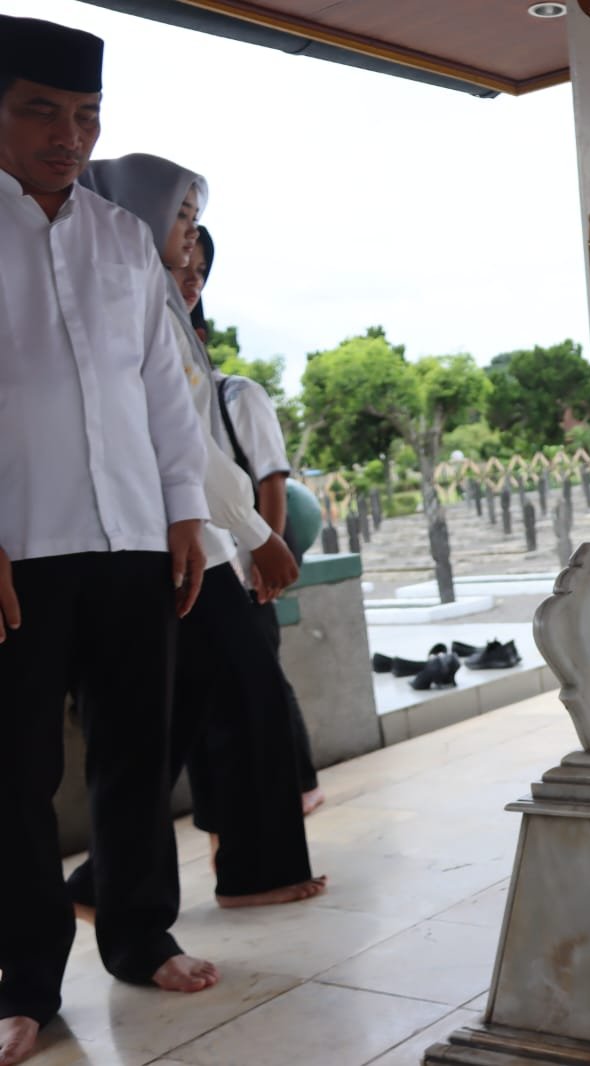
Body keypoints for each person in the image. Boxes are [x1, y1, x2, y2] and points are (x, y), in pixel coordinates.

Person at [0, 18, 219, 1066]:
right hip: (18, 545)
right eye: (40, 111)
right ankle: (21, 981)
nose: (69, 137)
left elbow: (162, 388)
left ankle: (139, 935)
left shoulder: (123, 238)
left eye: (86, 116)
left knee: (136, 748)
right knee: (14, 771)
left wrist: (183, 509)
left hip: (132, 534)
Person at [72, 153, 325, 910]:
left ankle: (112, 881)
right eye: (180, 217)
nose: (190, 237)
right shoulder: (128, 298)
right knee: (236, 699)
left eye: (193, 220)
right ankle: (243, 874)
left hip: (193, 541)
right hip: (168, 543)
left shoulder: (154, 302)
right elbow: (182, 437)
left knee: (180, 717)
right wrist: (257, 533)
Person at [182, 224, 325, 815]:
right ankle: (228, 825)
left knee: (260, 684)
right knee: (211, 706)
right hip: (197, 569)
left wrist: (263, 552)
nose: (190, 281)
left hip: (241, 569)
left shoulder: (238, 395)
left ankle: (298, 789)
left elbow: (271, 478)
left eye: (199, 272)